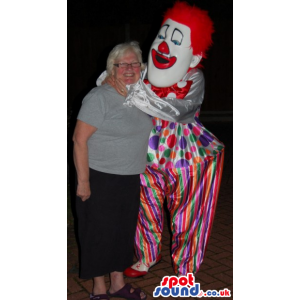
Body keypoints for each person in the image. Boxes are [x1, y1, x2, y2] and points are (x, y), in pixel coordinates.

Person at [98, 1, 225, 277]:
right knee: (145, 207)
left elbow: (182, 111)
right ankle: (146, 257)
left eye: (176, 41)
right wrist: (118, 78)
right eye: (162, 36)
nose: (165, 46)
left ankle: (186, 268)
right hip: (144, 153)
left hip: (186, 157)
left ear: (193, 56)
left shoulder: (194, 77)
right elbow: (105, 81)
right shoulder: (144, 71)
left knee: (188, 215)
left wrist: (139, 96)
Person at [73, 41, 152, 300]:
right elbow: (79, 140)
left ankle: (118, 283)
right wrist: (83, 182)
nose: (129, 68)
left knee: (122, 231)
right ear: (112, 68)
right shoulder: (99, 97)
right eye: (122, 64)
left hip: (130, 176)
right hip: (101, 177)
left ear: (142, 68)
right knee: (98, 233)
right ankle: (99, 288)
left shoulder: (140, 96)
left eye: (134, 63)